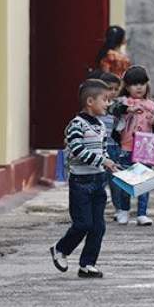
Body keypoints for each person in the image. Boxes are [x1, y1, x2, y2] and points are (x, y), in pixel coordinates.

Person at [50, 79, 120, 279]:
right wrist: (102, 160)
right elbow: (77, 150)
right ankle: (60, 249)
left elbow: (103, 149)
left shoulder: (100, 125)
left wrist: (110, 163)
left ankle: (88, 264)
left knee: (98, 226)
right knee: (83, 224)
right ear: (90, 101)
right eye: (104, 99)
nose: (108, 103)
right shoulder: (76, 125)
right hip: (81, 184)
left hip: (99, 182)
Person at [111, 65, 154, 226]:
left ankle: (142, 213)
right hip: (126, 147)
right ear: (126, 87)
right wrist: (128, 108)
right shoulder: (122, 103)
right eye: (134, 84)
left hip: (146, 147)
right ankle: (124, 211)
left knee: (144, 182)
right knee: (126, 181)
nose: (139, 87)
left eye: (142, 83)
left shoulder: (152, 105)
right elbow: (112, 109)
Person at [87, 70, 124, 216]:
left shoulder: (119, 106)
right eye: (110, 88)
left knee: (115, 179)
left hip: (114, 146)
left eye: (116, 89)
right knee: (98, 179)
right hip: (98, 147)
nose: (113, 92)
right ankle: (96, 207)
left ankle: (119, 208)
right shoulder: (96, 104)